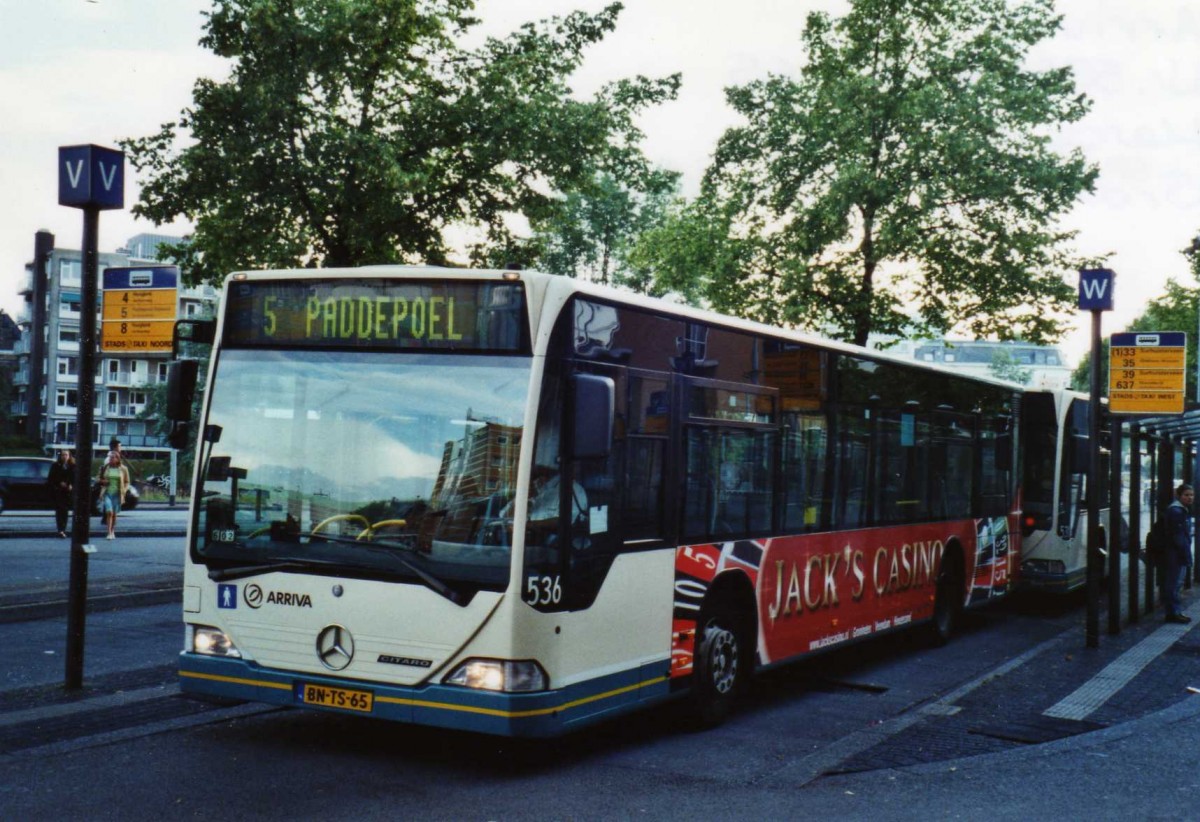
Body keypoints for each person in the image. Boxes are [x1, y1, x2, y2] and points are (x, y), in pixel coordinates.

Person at [1162, 483, 1194, 624]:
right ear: (1179, 495)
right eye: (1186, 495)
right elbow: (1179, 537)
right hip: (1175, 554)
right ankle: (1173, 612)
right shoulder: (1177, 511)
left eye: (1191, 495)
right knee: (1174, 583)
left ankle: (1173, 611)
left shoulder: (1181, 510)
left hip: (1175, 553)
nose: (1189, 497)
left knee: (1175, 583)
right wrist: (1186, 555)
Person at [96, 450, 130, 541]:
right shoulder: (104, 467)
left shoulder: (123, 469)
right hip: (107, 492)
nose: (110, 459)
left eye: (112, 457)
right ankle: (108, 532)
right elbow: (97, 478)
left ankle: (113, 530)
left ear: (117, 459)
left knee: (114, 514)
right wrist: (103, 481)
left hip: (117, 494)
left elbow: (127, 482)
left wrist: (124, 490)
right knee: (109, 512)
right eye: (109, 457)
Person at [48, 449, 74, 538]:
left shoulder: (73, 466)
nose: (64, 457)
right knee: (60, 511)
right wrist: (59, 482)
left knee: (65, 511)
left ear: (69, 456)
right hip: (58, 491)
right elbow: (51, 478)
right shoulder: (55, 466)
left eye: (66, 455)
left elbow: (75, 477)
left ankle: (63, 529)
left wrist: (71, 484)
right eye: (63, 455)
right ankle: (60, 529)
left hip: (69, 492)